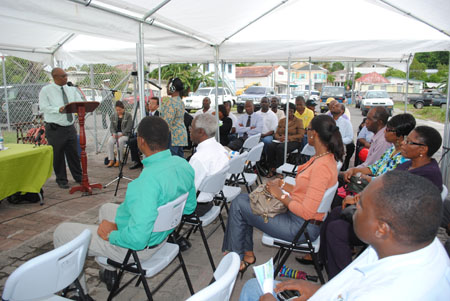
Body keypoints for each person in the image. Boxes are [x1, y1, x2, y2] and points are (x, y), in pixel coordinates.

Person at [241, 171, 450, 301]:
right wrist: (321, 291)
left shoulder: (390, 293)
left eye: (361, 205)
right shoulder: (408, 246)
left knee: (253, 289)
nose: (352, 203)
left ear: (382, 228)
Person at [53, 116, 197, 290]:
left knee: (61, 233)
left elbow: (137, 240)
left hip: (139, 249)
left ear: (141, 141)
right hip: (162, 237)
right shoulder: (183, 165)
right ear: (168, 138)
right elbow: (189, 208)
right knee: (106, 209)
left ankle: (79, 293)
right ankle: (109, 270)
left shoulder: (144, 183)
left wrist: (110, 235)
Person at [222, 114, 343, 277]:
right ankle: (245, 255)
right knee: (244, 200)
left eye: (308, 130)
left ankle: (237, 258)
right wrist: (283, 185)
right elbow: (306, 191)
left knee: (239, 205)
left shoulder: (322, 166)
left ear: (314, 134)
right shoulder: (323, 158)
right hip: (300, 220)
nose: (306, 133)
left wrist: (281, 196)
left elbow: (307, 212)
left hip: (300, 227)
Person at [39, 67, 82, 189]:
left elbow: (79, 102)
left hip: (69, 126)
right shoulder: (46, 90)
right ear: (55, 77)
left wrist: (81, 106)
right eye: (63, 76)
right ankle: (62, 179)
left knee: (73, 153)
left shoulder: (71, 89)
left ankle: (78, 176)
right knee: (58, 154)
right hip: (55, 127)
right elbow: (43, 107)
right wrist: (58, 109)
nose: (66, 78)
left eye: (66, 75)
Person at [343, 113, 416, 184]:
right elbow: (374, 168)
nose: (384, 132)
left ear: (399, 136)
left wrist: (367, 178)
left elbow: (392, 183)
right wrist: (354, 170)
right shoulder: (391, 150)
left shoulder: (405, 158)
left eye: (387, 130)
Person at [189, 113, 229, 216]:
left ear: (201, 132)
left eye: (191, 127)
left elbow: (189, 191)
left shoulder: (199, 159)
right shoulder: (220, 148)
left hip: (195, 207)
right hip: (209, 202)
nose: (189, 130)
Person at [397, 125, 443, 191]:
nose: (402, 143)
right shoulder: (409, 164)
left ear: (422, 149)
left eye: (408, 142)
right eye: (405, 139)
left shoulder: (427, 176)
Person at [266, 103, 304, 178]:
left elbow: (301, 135)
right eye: (287, 111)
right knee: (270, 146)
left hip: (294, 141)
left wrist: (288, 138)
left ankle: (280, 169)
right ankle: (271, 168)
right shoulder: (282, 121)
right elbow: (276, 133)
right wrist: (278, 138)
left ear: (294, 111)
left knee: (280, 148)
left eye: (291, 111)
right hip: (281, 140)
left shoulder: (298, 121)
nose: (289, 113)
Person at [129, 97, 160, 170]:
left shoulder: (158, 115)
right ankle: (136, 161)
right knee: (132, 141)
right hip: (145, 135)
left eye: (152, 103)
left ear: (157, 106)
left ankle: (148, 163)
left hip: (152, 137)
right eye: (149, 103)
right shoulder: (146, 113)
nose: (150, 105)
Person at [160, 78, 188, 158]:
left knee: (172, 160)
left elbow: (167, 122)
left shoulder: (171, 102)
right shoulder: (180, 101)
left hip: (173, 136)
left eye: (167, 86)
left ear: (172, 88)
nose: (166, 88)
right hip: (181, 135)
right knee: (179, 160)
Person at [106, 101, 132, 167]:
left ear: (123, 109)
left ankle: (119, 160)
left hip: (125, 134)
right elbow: (111, 127)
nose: (118, 111)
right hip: (116, 133)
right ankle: (111, 160)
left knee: (120, 141)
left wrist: (122, 134)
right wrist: (113, 133)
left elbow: (129, 127)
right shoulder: (113, 116)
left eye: (120, 110)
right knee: (110, 141)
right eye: (117, 110)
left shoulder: (128, 115)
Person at [329, 102, 354, 171]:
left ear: (342, 111)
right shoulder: (327, 120)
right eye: (333, 105)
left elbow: (350, 138)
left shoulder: (346, 123)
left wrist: (338, 140)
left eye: (337, 106)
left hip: (339, 148)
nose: (333, 106)